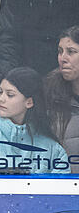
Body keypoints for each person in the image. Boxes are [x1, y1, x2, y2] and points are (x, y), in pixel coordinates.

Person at [45, 25, 79, 171]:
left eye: (71, 52)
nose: (62, 58)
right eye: (60, 52)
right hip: (61, 183)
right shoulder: (48, 90)